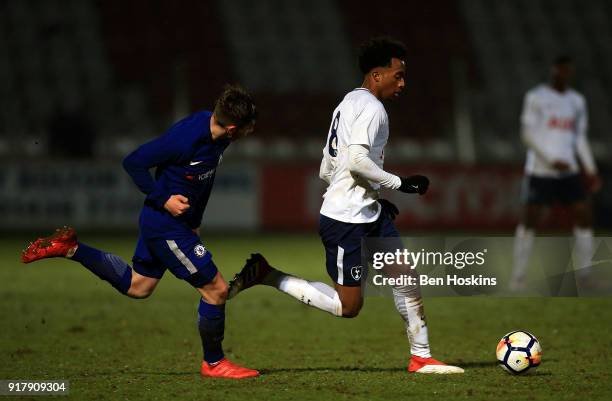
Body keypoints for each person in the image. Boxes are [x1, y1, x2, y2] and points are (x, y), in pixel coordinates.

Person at [228, 37, 463, 374]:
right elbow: (354, 160)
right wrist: (399, 184)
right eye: (398, 75)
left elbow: (327, 166)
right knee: (348, 307)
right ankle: (268, 275)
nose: (403, 83)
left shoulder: (347, 103)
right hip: (345, 222)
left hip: (368, 213)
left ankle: (421, 357)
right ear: (377, 75)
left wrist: (370, 198)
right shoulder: (372, 108)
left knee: (405, 276)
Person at [21, 85, 260, 379]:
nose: (251, 132)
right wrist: (166, 199)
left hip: (171, 224)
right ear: (234, 128)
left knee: (139, 286)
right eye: (249, 127)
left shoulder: (220, 135)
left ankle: (71, 248)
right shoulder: (185, 139)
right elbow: (133, 162)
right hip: (166, 225)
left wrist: (194, 221)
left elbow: (201, 183)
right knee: (216, 289)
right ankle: (214, 362)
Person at [511, 56, 602, 290]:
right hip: (540, 169)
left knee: (583, 215)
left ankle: (585, 275)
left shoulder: (577, 101)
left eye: (567, 71)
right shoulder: (536, 97)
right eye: (560, 70)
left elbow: (579, 138)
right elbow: (526, 135)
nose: (563, 74)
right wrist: (551, 160)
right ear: (553, 71)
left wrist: (590, 168)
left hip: (569, 170)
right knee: (530, 220)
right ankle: (518, 276)